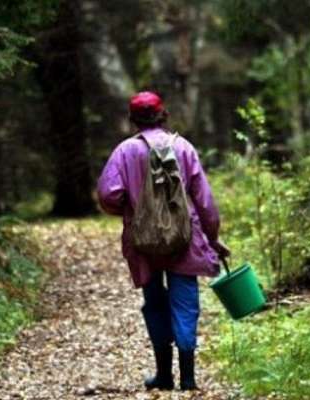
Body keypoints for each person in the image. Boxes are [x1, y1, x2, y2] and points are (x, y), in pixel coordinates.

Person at [96, 91, 230, 391]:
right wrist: (213, 238)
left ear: (133, 120)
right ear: (163, 115)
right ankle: (188, 377)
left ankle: (163, 375)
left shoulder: (125, 151)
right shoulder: (183, 147)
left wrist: (133, 208)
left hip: (144, 241)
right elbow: (204, 202)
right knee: (185, 304)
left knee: (155, 303)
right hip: (185, 237)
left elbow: (107, 195)